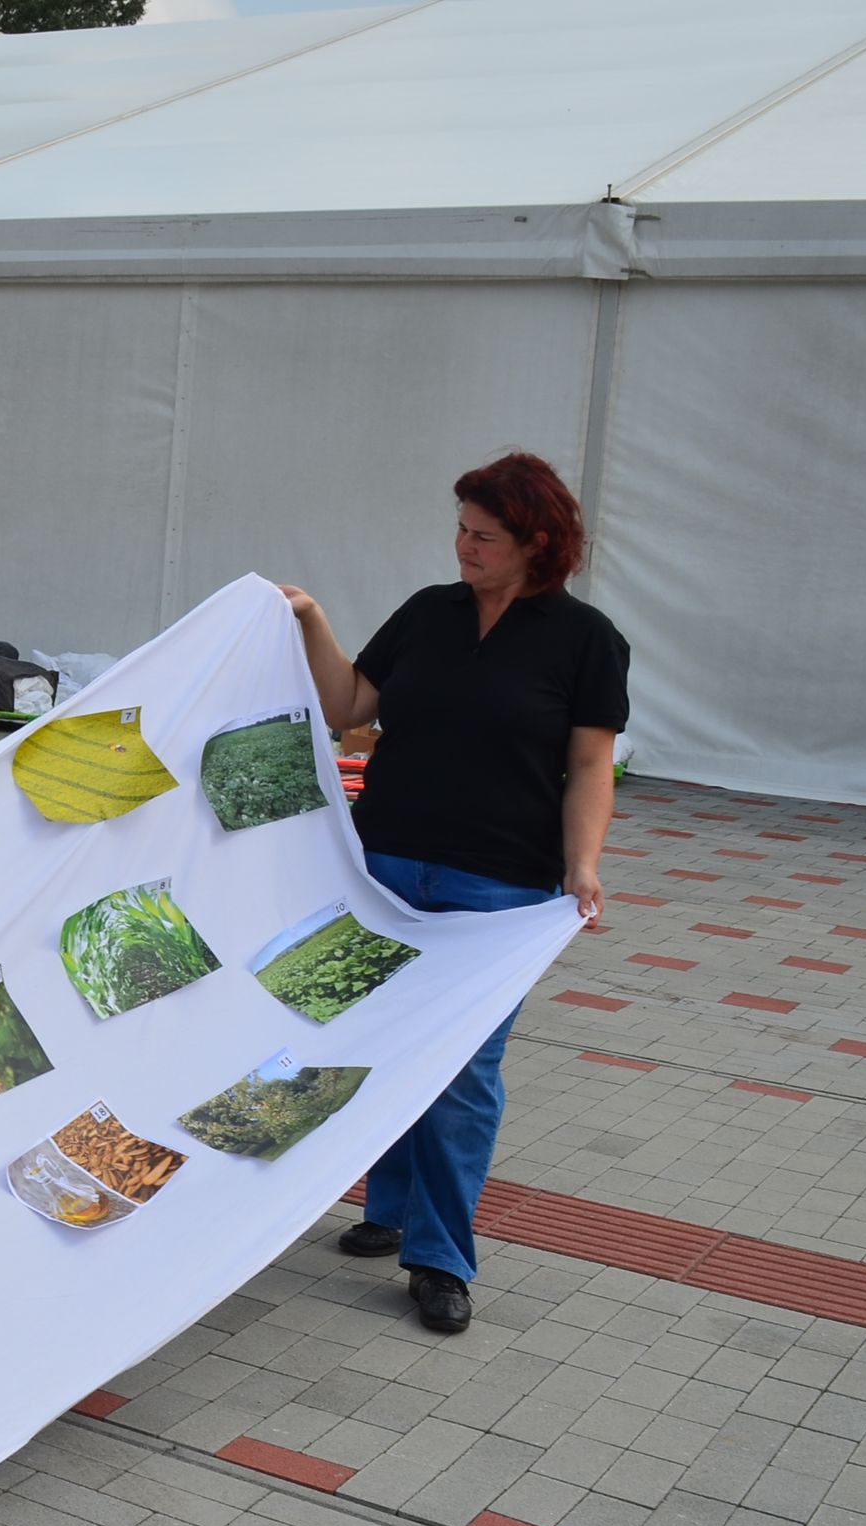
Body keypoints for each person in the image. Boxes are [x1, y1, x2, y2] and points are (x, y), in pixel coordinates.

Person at [284, 452, 628, 1337]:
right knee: (376, 1040)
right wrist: (312, 620)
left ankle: (440, 1259)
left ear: (537, 543)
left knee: (464, 1072)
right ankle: (389, 1207)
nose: (464, 546)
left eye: (485, 535)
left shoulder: (586, 640)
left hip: (499, 886)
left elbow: (591, 765)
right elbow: (348, 704)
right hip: (382, 867)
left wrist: (583, 863)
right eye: (461, 529)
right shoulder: (428, 613)